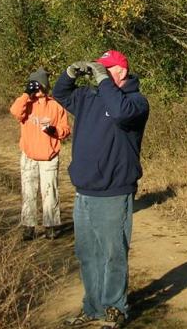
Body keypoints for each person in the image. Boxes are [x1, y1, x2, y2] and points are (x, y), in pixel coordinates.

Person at [53, 50, 149, 329]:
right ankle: (92, 306)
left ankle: (114, 307)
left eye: (106, 69)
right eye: (99, 69)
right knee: (87, 253)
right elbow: (61, 94)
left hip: (114, 190)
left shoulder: (135, 102)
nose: (100, 74)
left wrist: (103, 81)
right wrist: (70, 74)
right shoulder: (88, 97)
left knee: (112, 253)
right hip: (85, 189)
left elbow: (119, 112)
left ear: (120, 72)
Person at [9, 67, 71, 241]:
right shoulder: (25, 104)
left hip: (49, 157)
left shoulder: (55, 105)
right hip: (28, 155)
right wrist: (25, 94)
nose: (36, 88)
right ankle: (28, 227)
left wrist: (55, 130)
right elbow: (14, 112)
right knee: (28, 191)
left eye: (37, 84)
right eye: (32, 84)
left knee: (50, 192)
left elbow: (65, 130)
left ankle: (50, 226)